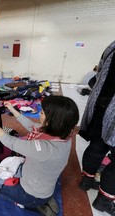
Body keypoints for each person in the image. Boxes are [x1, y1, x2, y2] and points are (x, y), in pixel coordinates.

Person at [0, 95, 79, 215]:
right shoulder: (64, 133)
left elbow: (10, 142)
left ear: (53, 120)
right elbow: (32, 126)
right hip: (43, 185)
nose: (39, 115)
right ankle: (42, 199)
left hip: (32, 193)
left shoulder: (45, 148)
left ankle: (35, 204)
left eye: (42, 113)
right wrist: (12, 109)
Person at [79, 41, 115, 216]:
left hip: (101, 105)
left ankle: (87, 179)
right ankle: (105, 200)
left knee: (96, 146)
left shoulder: (112, 45)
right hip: (110, 108)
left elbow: (99, 72)